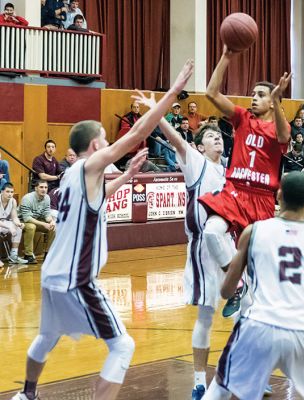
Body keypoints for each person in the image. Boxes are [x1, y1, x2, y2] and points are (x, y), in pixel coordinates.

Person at [11, 59, 194, 400]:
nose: (110, 144)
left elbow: (96, 199)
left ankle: (27, 394)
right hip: (75, 278)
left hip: (53, 274)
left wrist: (125, 178)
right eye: (106, 140)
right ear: (95, 146)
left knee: (46, 337)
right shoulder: (91, 164)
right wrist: (172, 93)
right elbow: (139, 134)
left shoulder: (71, 175)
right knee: (123, 345)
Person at [203, 172, 304, 400]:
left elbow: (227, 290)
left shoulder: (254, 232)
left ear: (278, 195)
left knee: (220, 388)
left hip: (260, 326)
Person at [134, 88, 232, 400]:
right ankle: (199, 381)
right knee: (206, 316)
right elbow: (176, 137)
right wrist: (156, 111)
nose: (217, 139)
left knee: (247, 314)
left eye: (219, 136)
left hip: (230, 245)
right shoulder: (195, 162)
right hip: (204, 247)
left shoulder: (228, 171)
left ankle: (245, 369)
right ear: (200, 145)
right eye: (211, 137)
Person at [200, 44, 291, 320]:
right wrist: (225, 57)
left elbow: (285, 137)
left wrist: (277, 101)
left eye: (261, 95)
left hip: (262, 199)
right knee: (212, 232)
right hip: (235, 192)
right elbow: (211, 93)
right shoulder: (242, 118)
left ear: (273, 101)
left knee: (260, 273)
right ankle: (237, 284)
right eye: (253, 93)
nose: (254, 97)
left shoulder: (277, 126)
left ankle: (261, 315)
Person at [18, 180, 56, 264]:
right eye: (41, 187)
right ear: (35, 188)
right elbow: (27, 218)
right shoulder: (27, 198)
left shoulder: (47, 197)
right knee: (31, 227)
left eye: (46, 187)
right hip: (21, 221)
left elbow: (46, 213)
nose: (44, 189)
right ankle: (28, 255)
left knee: (53, 227)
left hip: (35, 220)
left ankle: (48, 253)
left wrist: (51, 221)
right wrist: (44, 224)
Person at [0, 183, 27, 264]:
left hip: (4, 222)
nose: (10, 194)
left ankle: (13, 255)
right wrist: (9, 228)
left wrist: (19, 223)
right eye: (7, 192)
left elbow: (14, 217)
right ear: (2, 192)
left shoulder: (13, 201)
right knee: (11, 226)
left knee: (18, 227)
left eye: (11, 192)